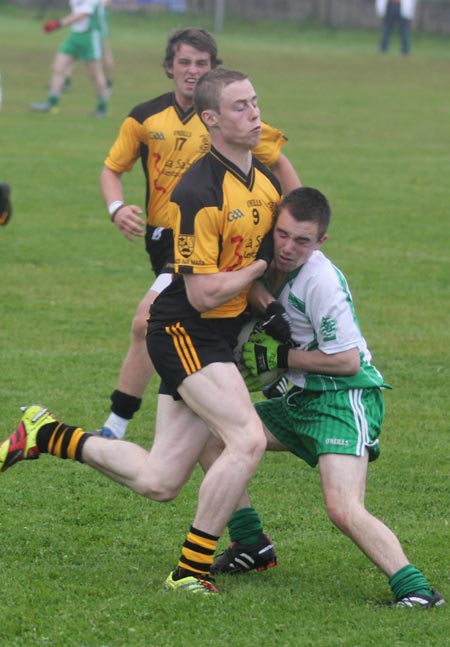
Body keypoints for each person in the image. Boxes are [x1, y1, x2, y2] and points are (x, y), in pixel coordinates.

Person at [0, 68, 285, 595]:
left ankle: (47, 433)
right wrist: (255, 273)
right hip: (185, 329)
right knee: (244, 440)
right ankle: (190, 571)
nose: (255, 114)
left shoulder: (262, 178)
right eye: (241, 107)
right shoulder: (199, 189)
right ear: (211, 119)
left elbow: (279, 214)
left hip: (221, 337)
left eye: (255, 102)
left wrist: (270, 303)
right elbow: (201, 295)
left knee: (160, 480)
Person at [205, 186, 445, 607]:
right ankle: (250, 543)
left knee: (342, 507)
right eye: (282, 234)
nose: (288, 248)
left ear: (320, 242)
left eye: (302, 241)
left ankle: (417, 591)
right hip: (299, 400)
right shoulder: (265, 251)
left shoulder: (321, 282)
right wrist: (268, 309)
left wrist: (282, 355)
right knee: (211, 433)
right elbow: (255, 286)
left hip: (343, 400)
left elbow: (348, 361)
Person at [98, 27, 301, 440]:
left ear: (213, 69)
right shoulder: (145, 117)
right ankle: (267, 377)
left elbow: (278, 163)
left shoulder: (232, 119)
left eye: (202, 64)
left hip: (206, 243)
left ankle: (116, 424)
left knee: (149, 320)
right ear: (169, 67)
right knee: (196, 318)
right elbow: (110, 169)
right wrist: (117, 208)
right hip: (164, 241)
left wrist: (297, 226)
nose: (192, 71)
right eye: (185, 62)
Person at [29, 0, 109, 116]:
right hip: (75, 35)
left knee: (95, 74)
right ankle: (52, 103)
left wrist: (59, 23)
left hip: (90, 36)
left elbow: (83, 13)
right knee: (58, 67)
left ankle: (102, 107)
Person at [63, 0, 114, 95]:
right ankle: (65, 79)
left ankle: (108, 82)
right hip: (83, 22)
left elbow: (105, 2)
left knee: (104, 51)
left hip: (96, 20)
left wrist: (93, 5)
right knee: (73, 54)